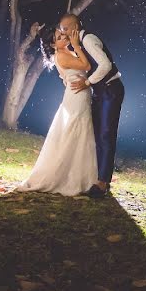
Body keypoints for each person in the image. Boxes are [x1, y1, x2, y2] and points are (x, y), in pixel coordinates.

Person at [17, 27, 97, 196]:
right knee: (75, 133)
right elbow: (87, 65)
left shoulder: (66, 53)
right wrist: (76, 45)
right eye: (60, 38)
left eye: (63, 35)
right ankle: (69, 177)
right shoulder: (61, 55)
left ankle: (83, 176)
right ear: (53, 44)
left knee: (79, 133)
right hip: (76, 97)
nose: (64, 38)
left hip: (78, 93)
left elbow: (68, 75)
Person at [57, 13, 125, 198]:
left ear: (75, 27)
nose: (63, 33)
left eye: (65, 29)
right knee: (94, 132)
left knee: (105, 134)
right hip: (99, 92)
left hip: (111, 89)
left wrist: (87, 83)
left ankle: (103, 182)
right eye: (61, 29)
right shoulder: (76, 45)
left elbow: (104, 65)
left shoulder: (88, 40)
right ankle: (94, 176)